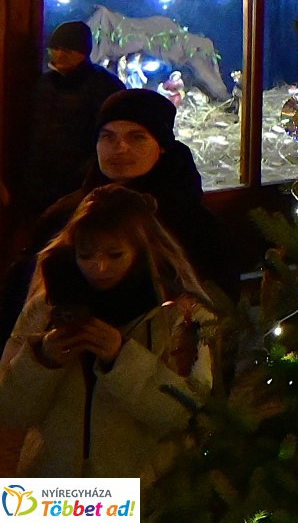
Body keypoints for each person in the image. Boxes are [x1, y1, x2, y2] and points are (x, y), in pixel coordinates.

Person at [0, 184, 216, 477]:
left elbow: (188, 414)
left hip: (143, 489)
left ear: (141, 251)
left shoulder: (183, 317)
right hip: (54, 488)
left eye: (115, 255)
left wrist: (121, 358)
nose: (100, 267)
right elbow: (10, 411)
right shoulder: (46, 309)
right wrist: (43, 360)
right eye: (86, 256)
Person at [5, 88, 237, 337]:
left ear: (161, 146)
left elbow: (216, 315)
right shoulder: (66, 215)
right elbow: (19, 298)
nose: (120, 148)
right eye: (108, 137)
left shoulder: (194, 224)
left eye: (137, 137)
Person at [21, 22, 122, 221]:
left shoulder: (104, 86)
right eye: (55, 49)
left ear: (83, 52)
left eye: (67, 50)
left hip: (81, 184)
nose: (59, 55)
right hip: (39, 182)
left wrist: (89, 174)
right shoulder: (44, 84)